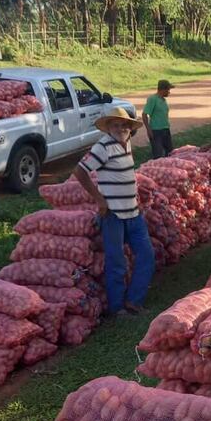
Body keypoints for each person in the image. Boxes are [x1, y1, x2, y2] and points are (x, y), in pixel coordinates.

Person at [74, 107, 155, 317]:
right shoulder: (103, 146)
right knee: (116, 261)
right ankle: (117, 308)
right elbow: (80, 171)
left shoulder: (126, 143)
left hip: (133, 212)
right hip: (113, 215)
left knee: (146, 254)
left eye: (124, 125)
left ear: (129, 128)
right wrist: (99, 199)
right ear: (108, 127)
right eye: (116, 125)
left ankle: (134, 301)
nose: (121, 128)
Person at [142, 80, 173, 158]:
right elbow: (144, 114)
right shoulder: (153, 99)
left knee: (170, 152)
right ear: (162, 89)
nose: (169, 92)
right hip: (156, 131)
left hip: (165, 129)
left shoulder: (163, 100)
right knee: (158, 154)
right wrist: (148, 130)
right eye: (168, 90)